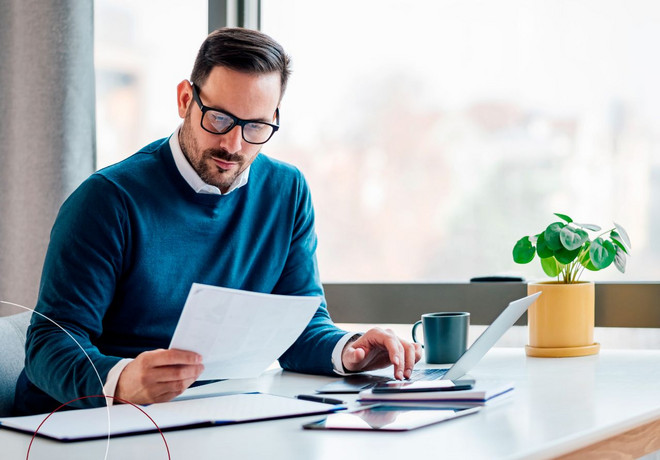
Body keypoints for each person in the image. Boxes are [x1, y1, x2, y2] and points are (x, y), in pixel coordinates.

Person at [14, 27, 421, 416]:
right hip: (80, 426)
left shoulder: (287, 192)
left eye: (256, 126)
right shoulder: (107, 201)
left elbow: (300, 326)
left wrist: (350, 350)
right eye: (220, 119)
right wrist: (120, 380)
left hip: (205, 415)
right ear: (184, 99)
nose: (233, 144)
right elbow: (49, 346)